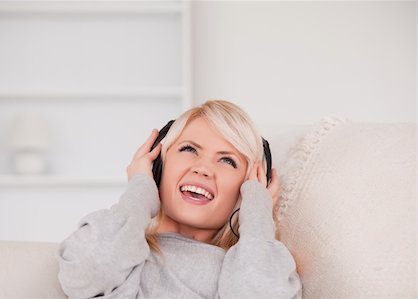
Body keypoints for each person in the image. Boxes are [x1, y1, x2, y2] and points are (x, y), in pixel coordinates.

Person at [57, 100, 302, 299]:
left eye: (227, 160)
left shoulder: (242, 269)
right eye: (189, 149)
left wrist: (257, 216)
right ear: (158, 168)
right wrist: (140, 190)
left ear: (247, 191)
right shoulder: (124, 250)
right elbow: (84, 273)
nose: (203, 169)